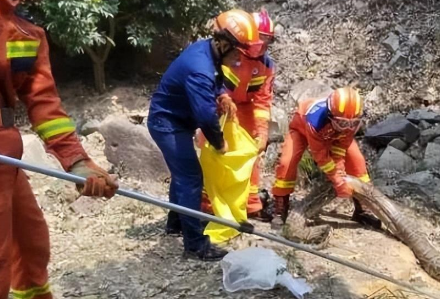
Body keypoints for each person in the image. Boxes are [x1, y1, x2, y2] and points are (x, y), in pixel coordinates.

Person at [0, 1, 118, 299]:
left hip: (2, 155)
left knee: (30, 242)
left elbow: (43, 102)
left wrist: (76, 160)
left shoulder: (26, 31)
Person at [147, 9, 263, 261]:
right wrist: (220, 143)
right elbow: (205, 117)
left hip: (174, 121)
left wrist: (222, 94)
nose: (239, 59)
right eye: (237, 52)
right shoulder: (199, 68)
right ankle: (195, 245)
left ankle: (176, 222)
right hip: (167, 124)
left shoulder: (207, 51)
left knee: (183, 173)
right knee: (191, 177)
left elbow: (216, 77)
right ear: (223, 43)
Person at [201, 8, 276, 220]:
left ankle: (250, 205)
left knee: (250, 155)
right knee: (213, 151)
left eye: (267, 40)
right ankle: (206, 203)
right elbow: (212, 81)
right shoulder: (229, 53)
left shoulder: (266, 66)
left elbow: (262, 100)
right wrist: (221, 101)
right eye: (260, 38)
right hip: (219, 107)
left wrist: (261, 132)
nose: (263, 45)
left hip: (246, 109)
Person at [271, 87, 372, 224]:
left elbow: (340, 149)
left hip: (334, 135)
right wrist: (337, 179)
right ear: (330, 115)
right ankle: (280, 207)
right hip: (301, 131)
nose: (348, 127)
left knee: (357, 162)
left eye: (353, 123)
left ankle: (362, 208)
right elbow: (321, 156)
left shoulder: (349, 121)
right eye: (343, 123)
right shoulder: (314, 121)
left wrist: (340, 175)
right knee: (286, 163)